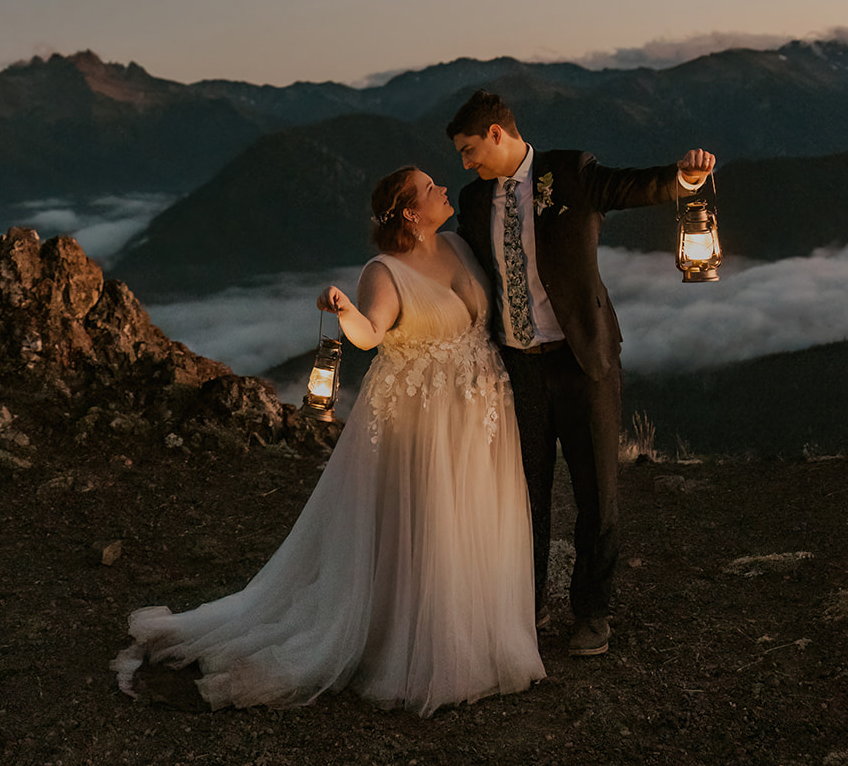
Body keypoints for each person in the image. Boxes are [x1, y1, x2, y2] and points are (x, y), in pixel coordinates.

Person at [113, 165, 544, 717]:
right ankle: (419, 644)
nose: (443, 189)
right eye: (430, 187)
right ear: (410, 212)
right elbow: (372, 332)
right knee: (429, 526)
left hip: (479, 411)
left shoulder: (459, 243)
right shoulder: (382, 272)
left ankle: (478, 629)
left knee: (474, 522)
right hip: (426, 423)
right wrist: (345, 312)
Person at [446, 89, 715, 659]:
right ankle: (527, 604)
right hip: (516, 367)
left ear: (497, 134)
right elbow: (450, 258)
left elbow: (629, 186)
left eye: (470, 150)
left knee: (597, 492)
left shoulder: (569, 171)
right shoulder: (473, 201)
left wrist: (685, 181)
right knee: (524, 495)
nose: (465, 164)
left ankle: (592, 612)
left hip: (583, 358)